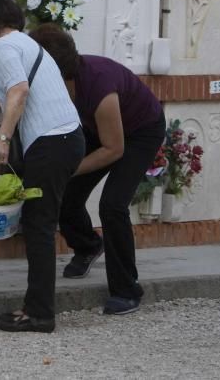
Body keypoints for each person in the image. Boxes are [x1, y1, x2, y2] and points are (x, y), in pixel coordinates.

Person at [29, 24, 165, 316]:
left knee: (113, 205)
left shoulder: (100, 88)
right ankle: (88, 245)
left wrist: (68, 168)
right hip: (96, 128)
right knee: (65, 193)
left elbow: (114, 149)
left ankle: (127, 290)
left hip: (140, 132)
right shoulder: (61, 84)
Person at [0, 0, 84, 334]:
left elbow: (19, 91)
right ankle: (35, 307)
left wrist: (1, 138)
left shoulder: (4, 46)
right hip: (65, 140)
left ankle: (40, 314)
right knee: (39, 223)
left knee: (38, 226)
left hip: (52, 143)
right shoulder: (27, 44)